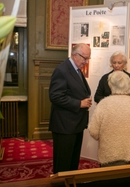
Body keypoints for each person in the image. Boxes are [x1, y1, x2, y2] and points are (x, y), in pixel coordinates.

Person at [88, 71, 130, 167]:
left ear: (110, 85)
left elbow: (93, 131)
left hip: (109, 155)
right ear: (129, 85)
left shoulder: (104, 104)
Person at [48, 43, 92, 173]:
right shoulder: (62, 70)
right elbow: (55, 96)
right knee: (63, 163)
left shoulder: (76, 69)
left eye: (88, 58)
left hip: (75, 124)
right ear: (74, 55)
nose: (86, 61)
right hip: (64, 126)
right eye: (84, 58)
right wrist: (79, 103)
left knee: (72, 162)